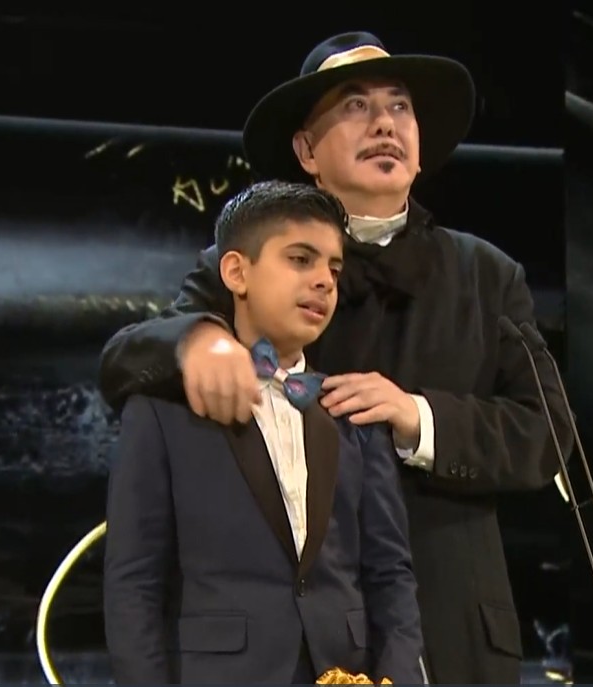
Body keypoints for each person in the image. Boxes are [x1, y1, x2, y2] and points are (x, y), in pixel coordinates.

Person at [99, 32, 573, 684]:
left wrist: (417, 417)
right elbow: (129, 358)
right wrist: (201, 338)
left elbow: (548, 432)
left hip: (455, 622)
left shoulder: (487, 275)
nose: (384, 123)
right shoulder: (246, 265)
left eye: (400, 106)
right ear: (306, 151)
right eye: (355, 106)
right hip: (294, 644)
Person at [103, 180, 424, 685]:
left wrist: (398, 678)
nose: (323, 281)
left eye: (333, 269)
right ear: (236, 271)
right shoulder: (162, 411)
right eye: (300, 259)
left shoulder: (351, 414)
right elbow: (134, 581)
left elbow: (391, 575)